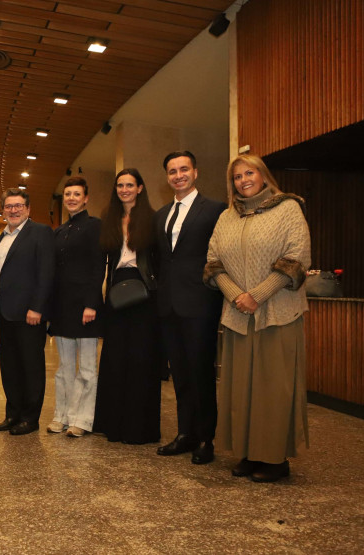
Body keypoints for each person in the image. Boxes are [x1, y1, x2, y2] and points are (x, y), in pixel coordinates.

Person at [205, 154, 311, 482]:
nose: (243, 180)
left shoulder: (288, 208)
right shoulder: (226, 217)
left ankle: (275, 459)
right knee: (241, 388)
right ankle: (249, 453)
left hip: (278, 313)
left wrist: (258, 295)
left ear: (263, 175)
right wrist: (236, 295)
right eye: (237, 177)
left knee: (273, 389)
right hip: (238, 315)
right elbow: (212, 263)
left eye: (249, 173)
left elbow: (297, 259)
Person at [154, 151, 226, 464]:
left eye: (184, 169)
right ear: (167, 176)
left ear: (195, 172)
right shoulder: (162, 214)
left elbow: (221, 255)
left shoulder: (215, 210)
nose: (178, 175)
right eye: (172, 171)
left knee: (200, 373)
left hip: (200, 304)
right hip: (169, 305)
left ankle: (206, 439)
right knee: (180, 374)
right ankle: (185, 434)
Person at [92, 169, 161, 444]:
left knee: (141, 359)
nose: (124, 189)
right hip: (117, 290)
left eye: (130, 185)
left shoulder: (153, 219)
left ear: (140, 188)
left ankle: (139, 428)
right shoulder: (109, 219)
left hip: (144, 290)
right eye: (120, 185)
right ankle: (113, 425)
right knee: (115, 358)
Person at [0, 188, 55, 435]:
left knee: (31, 367)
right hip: (5, 314)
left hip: (29, 314)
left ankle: (30, 418)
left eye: (18, 206)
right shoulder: (3, 236)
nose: (13, 210)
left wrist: (37, 307)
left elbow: (46, 273)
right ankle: (12, 414)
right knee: (10, 367)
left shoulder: (40, 233)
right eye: (9, 206)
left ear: (28, 209)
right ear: (3, 209)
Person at [47, 177, 104, 438]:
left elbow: (97, 268)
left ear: (86, 198)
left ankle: (83, 419)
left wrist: (91, 303)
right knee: (64, 368)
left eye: (76, 194)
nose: (71, 198)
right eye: (67, 193)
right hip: (62, 307)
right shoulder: (59, 231)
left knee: (88, 368)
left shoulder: (95, 227)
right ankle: (63, 415)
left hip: (85, 307)